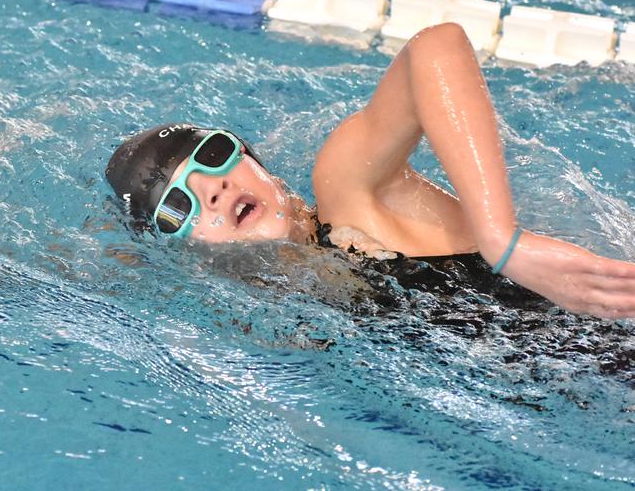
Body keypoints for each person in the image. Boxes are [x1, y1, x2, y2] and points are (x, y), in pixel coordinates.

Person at [105, 23, 635, 319]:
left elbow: (437, 47)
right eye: (178, 206)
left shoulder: (350, 197)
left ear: (261, 166)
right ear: (178, 253)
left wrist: (503, 242)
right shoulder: (275, 323)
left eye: (215, 155)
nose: (212, 190)